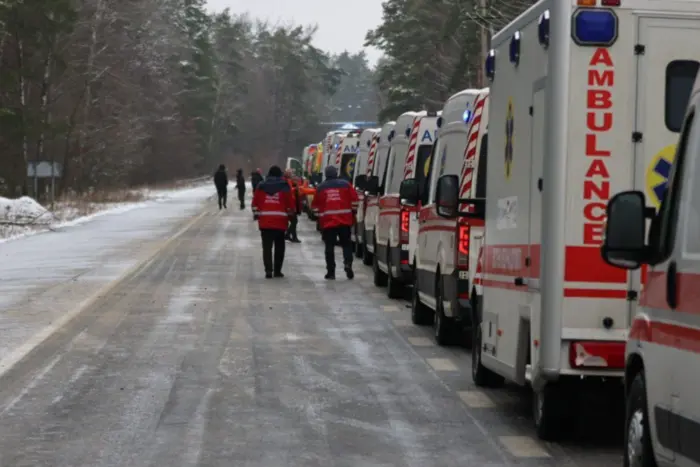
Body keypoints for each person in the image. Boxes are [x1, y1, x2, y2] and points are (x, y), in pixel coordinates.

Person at [312, 165, 359, 280]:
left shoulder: (321, 188)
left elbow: (315, 207)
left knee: (329, 247)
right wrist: (353, 212)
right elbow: (355, 200)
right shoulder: (346, 185)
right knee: (346, 245)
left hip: (328, 223)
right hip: (344, 221)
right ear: (336, 173)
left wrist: (320, 218)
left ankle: (331, 272)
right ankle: (348, 264)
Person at [252, 166, 295, 278]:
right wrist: (291, 217)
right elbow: (290, 204)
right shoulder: (284, 186)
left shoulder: (261, 186)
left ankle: (268, 270)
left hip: (265, 222)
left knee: (267, 247)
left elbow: (255, 203)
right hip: (280, 222)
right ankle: (277, 270)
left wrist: (257, 215)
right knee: (279, 247)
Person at [284, 169, 302, 243]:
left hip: (293, 205)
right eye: (291, 174)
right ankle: (288, 234)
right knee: (294, 221)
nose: (293, 176)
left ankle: (293, 236)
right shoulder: (287, 182)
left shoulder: (291, 183)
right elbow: (290, 192)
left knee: (294, 221)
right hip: (291, 206)